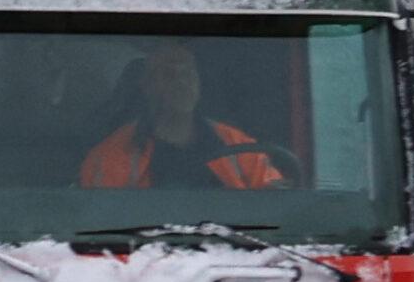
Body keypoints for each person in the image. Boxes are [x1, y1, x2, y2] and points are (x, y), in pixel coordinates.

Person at [79, 41, 286, 190]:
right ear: (146, 85)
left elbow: (276, 209)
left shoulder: (241, 148)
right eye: (168, 74)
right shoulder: (108, 157)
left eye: (187, 73)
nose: (181, 82)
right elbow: (100, 229)